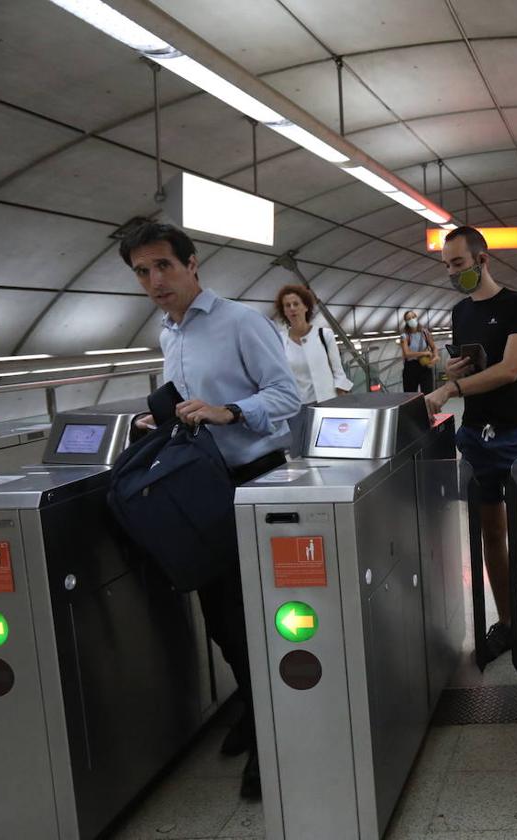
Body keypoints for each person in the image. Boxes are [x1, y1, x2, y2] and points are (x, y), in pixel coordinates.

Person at [121, 222, 301, 799]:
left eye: (163, 267)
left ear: (192, 263)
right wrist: (164, 419)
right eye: (143, 272)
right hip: (198, 484)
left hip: (252, 476)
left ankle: (275, 738)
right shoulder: (166, 332)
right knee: (220, 614)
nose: (154, 281)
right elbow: (183, 400)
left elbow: (285, 397)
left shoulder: (241, 322)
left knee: (253, 613)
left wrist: (230, 410)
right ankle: (252, 705)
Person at [424, 226, 517, 663]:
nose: (453, 273)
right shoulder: (460, 313)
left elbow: (510, 369)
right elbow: (470, 369)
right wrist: (453, 373)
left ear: (482, 259)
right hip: (478, 432)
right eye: (447, 267)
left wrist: (450, 391)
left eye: (458, 264)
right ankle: (506, 621)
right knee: (490, 531)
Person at [274, 284, 353, 456]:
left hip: (325, 403)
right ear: (284, 311)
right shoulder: (279, 340)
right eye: (287, 305)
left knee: (330, 450)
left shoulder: (324, 335)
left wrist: (340, 400)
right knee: (299, 455)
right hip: (295, 409)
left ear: (306, 306)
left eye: (296, 303)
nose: (292, 309)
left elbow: (338, 372)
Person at [400, 309, 437, 394]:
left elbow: (434, 347)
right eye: (409, 319)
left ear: (416, 318)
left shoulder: (425, 333)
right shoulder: (404, 336)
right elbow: (407, 354)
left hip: (425, 365)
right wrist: (424, 353)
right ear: (406, 321)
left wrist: (435, 356)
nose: (412, 320)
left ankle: (428, 407)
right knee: (410, 395)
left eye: (413, 317)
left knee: (428, 392)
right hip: (411, 367)